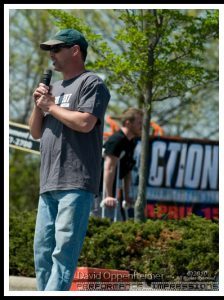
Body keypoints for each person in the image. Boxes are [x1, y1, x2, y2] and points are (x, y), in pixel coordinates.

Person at [28, 28, 110, 291]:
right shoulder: (53, 88)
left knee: (63, 255)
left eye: (56, 49)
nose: (51, 54)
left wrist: (51, 106)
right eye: (50, 50)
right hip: (48, 183)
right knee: (42, 253)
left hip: (76, 182)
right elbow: (35, 132)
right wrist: (38, 105)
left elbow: (86, 123)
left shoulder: (91, 83)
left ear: (75, 50)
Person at [100, 107, 143, 221]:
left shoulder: (131, 141)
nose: (142, 126)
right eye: (139, 123)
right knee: (100, 222)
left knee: (117, 223)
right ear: (128, 123)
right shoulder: (117, 140)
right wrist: (108, 195)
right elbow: (109, 167)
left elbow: (127, 170)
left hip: (113, 192)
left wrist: (127, 195)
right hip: (99, 190)